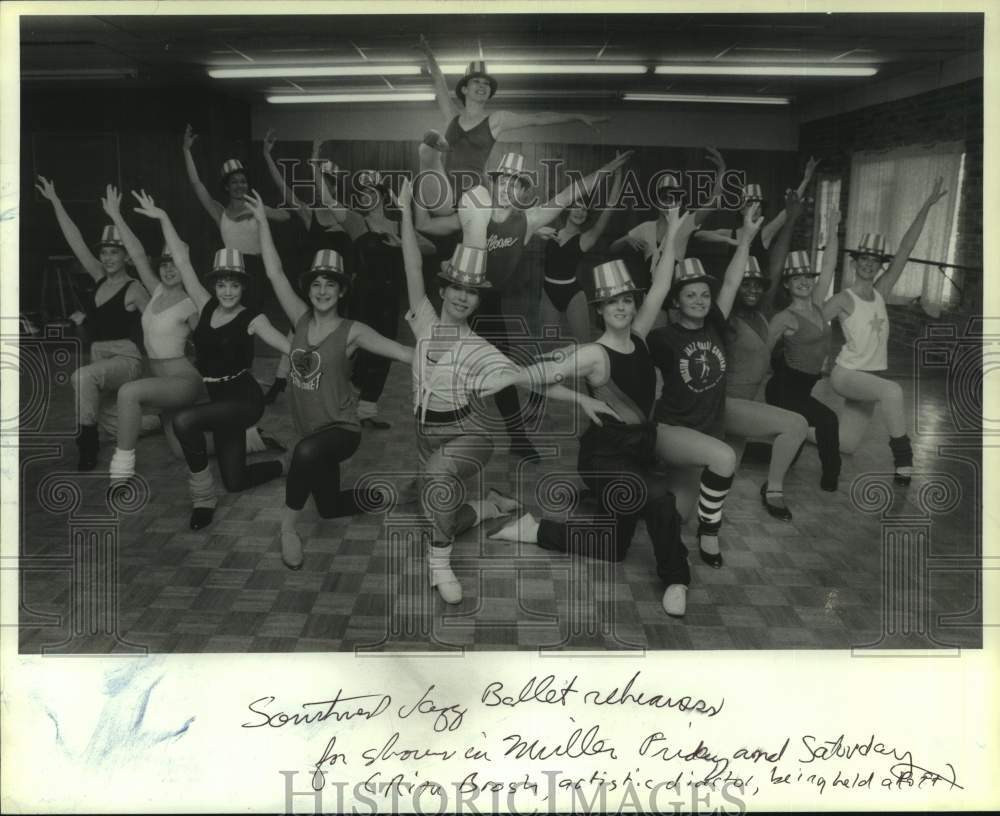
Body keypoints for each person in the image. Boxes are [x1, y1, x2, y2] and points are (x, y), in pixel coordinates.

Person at [398, 179, 607, 605]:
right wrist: (405, 211)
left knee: (438, 481)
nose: (462, 297)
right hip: (424, 434)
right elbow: (411, 265)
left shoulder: (480, 349)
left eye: (471, 293)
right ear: (444, 291)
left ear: (477, 301)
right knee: (440, 513)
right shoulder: (422, 319)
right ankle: (489, 507)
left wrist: (581, 397)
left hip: (468, 435)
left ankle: (441, 567)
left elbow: (529, 377)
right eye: (456, 288)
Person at [490, 210, 691, 617]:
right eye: (611, 302)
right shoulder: (593, 354)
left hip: (638, 452)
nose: (621, 307)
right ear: (599, 310)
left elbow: (664, 281)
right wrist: (580, 399)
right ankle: (676, 577)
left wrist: (672, 234)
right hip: (604, 458)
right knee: (661, 501)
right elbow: (531, 377)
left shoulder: (639, 334)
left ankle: (537, 529)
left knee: (615, 547)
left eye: (626, 300)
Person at [415, 149, 633, 461]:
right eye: (502, 181)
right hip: (460, 299)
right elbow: (428, 224)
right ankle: (438, 436)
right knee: (443, 367)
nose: (507, 189)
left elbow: (567, 194)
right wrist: (425, 173)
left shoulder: (527, 221)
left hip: (488, 304)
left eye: (515, 184)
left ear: (521, 191)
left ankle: (516, 438)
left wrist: (605, 171)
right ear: (494, 183)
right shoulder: (474, 210)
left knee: (503, 370)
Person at [250, 191, 414, 570]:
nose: (322, 291)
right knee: (330, 506)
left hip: (341, 430)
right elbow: (274, 273)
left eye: (330, 285)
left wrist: (438, 352)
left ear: (341, 290)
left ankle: (287, 531)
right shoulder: (301, 320)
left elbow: (401, 352)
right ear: (309, 290)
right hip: (310, 431)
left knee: (303, 455)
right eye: (316, 285)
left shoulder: (352, 330)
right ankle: (394, 495)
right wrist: (262, 223)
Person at [131, 190, 290, 530]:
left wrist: (308, 357)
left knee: (184, 422)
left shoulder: (252, 316)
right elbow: (182, 260)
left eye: (234, 284)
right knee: (236, 480)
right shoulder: (203, 306)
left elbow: (283, 342)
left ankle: (202, 498)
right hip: (219, 402)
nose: (228, 291)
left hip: (244, 400)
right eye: (222, 284)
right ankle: (286, 464)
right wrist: (162, 219)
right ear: (214, 286)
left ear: (242, 288)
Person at [646, 204, 762, 569]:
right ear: (676, 301)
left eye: (703, 295)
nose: (699, 300)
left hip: (706, 432)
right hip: (673, 431)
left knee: (677, 514)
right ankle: (710, 532)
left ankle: (655, 497)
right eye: (690, 295)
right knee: (725, 458)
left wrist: (746, 239)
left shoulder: (716, 328)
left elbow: (731, 282)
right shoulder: (662, 337)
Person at [826, 177, 949, 484]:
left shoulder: (881, 291)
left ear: (880, 265)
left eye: (874, 260)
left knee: (846, 444)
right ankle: (904, 460)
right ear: (855, 263)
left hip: (870, 376)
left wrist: (926, 206)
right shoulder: (844, 298)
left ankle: (801, 429)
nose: (868, 264)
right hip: (847, 374)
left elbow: (906, 248)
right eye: (863, 259)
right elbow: (813, 322)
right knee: (893, 391)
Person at [415, 35, 607, 214]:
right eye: (477, 82)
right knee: (429, 142)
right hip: (444, 192)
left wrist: (578, 116)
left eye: (486, 84)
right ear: (464, 88)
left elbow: (538, 118)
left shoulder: (497, 120)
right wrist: (428, 53)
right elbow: (439, 81)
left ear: (490, 92)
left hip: (474, 196)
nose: (482, 86)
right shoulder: (452, 117)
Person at [35, 176, 150, 471]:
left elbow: (156, 323)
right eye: (104, 252)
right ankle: (161, 419)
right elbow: (75, 240)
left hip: (125, 359)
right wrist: (56, 202)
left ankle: (87, 445)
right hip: (100, 358)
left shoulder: (135, 288)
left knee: (81, 377)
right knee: (117, 426)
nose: (108, 258)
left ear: (126, 255)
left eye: (115, 252)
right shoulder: (99, 276)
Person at [99, 186, 205, 482]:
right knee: (182, 452)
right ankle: (246, 440)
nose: (170, 270)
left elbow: (210, 346)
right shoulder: (156, 289)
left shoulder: (190, 304)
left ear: (185, 267)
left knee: (128, 393)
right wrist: (116, 216)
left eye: (176, 264)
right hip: (161, 381)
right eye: (165, 264)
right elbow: (135, 253)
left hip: (183, 382)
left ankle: (120, 472)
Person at [763, 196, 842, 491]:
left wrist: (834, 228)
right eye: (797, 278)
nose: (804, 281)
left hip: (806, 385)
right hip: (786, 388)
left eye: (808, 276)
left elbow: (830, 265)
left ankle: (766, 450)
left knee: (791, 452)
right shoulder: (785, 318)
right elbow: (763, 352)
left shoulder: (819, 305)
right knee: (828, 420)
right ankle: (831, 476)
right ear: (787, 284)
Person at [537, 166, 625, 345]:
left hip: (572, 294)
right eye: (576, 208)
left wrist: (618, 176)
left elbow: (611, 206)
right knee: (547, 345)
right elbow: (525, 223)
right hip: (548, 292)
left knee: (584, 343)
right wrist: (537, 231)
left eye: (584, 210)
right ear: (567, 210)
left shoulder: (586, 239)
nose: (580, 212)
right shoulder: (549, 232)